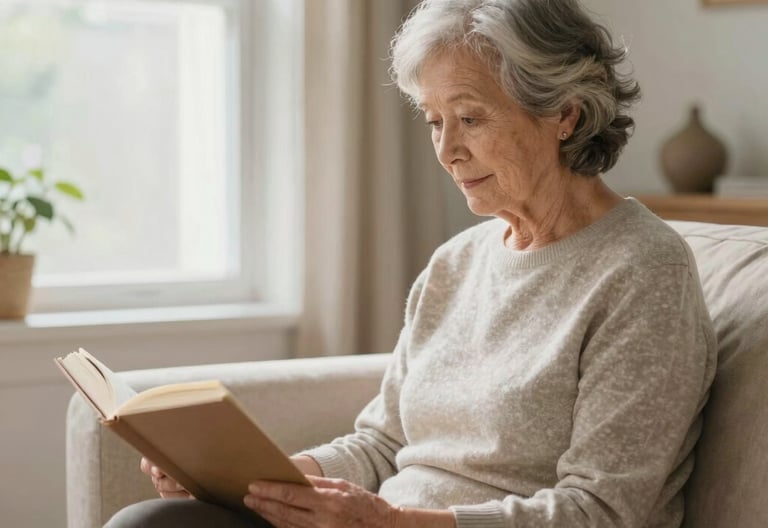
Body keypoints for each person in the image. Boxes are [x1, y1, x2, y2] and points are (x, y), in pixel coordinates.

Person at [106, 0, 716, 526]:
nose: (448, 151)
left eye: (471, 118)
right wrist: (265, 482)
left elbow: (602, 512)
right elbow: (384, 442)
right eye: (434, 121)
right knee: (156, 522)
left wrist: (398, 523)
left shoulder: (643, 271)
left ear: (565, 114)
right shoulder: (456, 263)